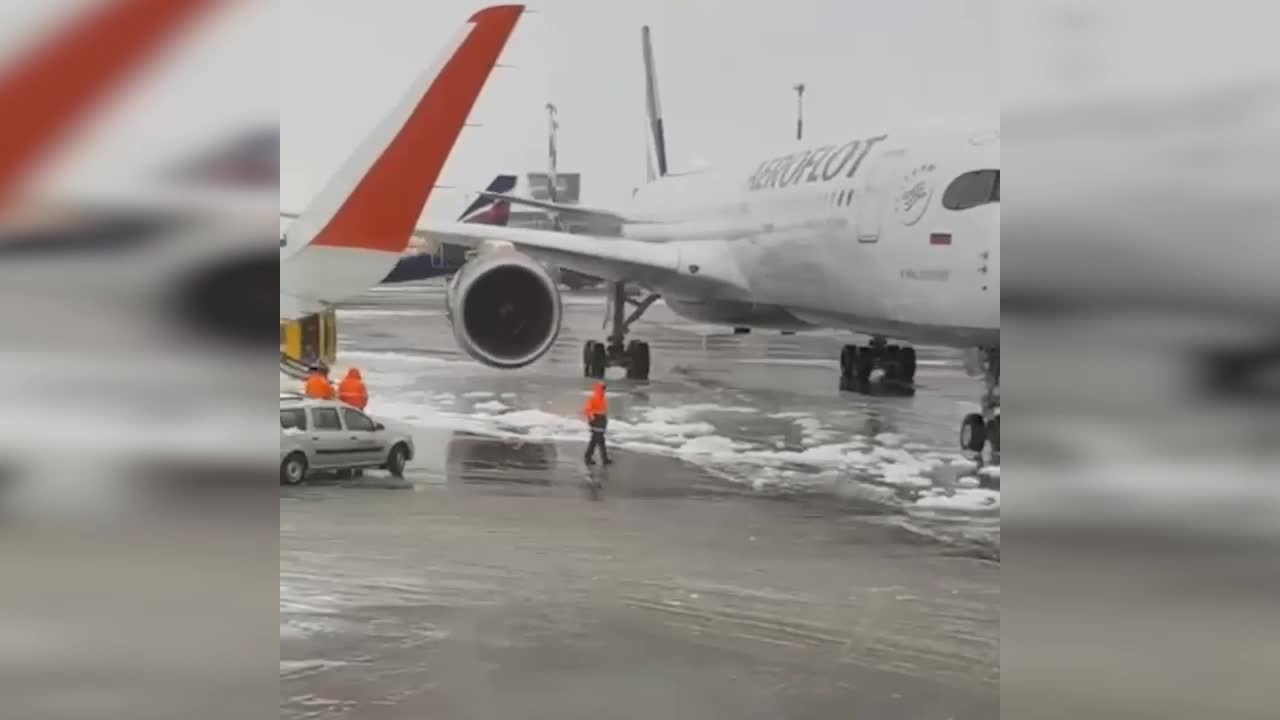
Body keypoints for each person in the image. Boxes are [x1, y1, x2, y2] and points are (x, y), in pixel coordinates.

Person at [581, 381, 611, 465]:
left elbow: (603, 411)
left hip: (601, 421)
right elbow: (587, 410)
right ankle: (588, 457)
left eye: (604, 388)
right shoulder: (594, 398)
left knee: (600, 440)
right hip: (597, 421)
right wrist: (592, 419)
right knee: (596, 440)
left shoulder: (603, 398)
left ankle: (604, 458)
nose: (604, 389)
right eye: (603, 388)